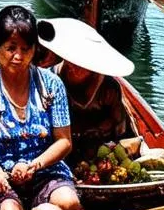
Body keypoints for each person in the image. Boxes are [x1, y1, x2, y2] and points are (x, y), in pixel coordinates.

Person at [0, 6, 82, 210]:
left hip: (43, 170)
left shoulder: (52, 85)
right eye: (10, 48)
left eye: (25, 49)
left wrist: (34, 165)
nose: (18, 56)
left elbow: (64, 141)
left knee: (71, 205)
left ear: (35, 50)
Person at [36, 17, 134, 157]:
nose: (74, 67)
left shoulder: (108, 88)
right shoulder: (50, 80)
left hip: (98, 149)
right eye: (72, 61)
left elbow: (120, 127)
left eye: (82, 64)